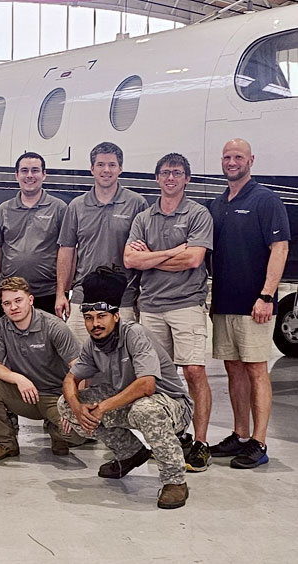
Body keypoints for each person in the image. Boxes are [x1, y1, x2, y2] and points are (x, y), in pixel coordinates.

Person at [57, 266, 192, 510]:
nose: (95, 324)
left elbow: (147, 385)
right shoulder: (92, 345)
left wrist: (102, 408)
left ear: (116, 316)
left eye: (101, 316)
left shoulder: (134, 334)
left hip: (170, 404)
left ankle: (175, 480)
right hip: (130, 402)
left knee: (144, 409)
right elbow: (70, 379)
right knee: (65, 403)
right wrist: (77, 407)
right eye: (89, 318)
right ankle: (130, 453)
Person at [124, 152, 214, 472]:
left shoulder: (198, 214)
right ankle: (174, 436)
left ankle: (200, 443)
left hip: (187, 304)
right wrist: (174, 251)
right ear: (157, 178)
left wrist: (152, 257)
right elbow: (131, 260)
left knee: (194, 372)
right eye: (165, 173)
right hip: (151, 307)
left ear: (186, 178)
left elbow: (194, 259)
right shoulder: (143, 218)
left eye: (176, 173)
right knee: (159, 378)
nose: (170, 178)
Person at [208, 138, 290, 469]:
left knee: (256, 370)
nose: (232, 162)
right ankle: (240, 435)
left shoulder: (266, 199)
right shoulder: (217, 204)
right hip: (224, 302)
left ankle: (259, 441)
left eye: (238, 157)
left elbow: (280, 248)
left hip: (256, 304)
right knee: (233, 369)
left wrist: (267, 295)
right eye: (227, 157)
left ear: (251, 160)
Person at [0, 277, 87, 461]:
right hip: (25, 394)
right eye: (7, 303)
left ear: (30, 300)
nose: (13, 307)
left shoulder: (53, 326)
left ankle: (56, 431)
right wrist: (18, 379)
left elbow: (80, 370)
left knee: (78, 434)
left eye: (18, 300)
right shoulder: (1, 327)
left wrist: (73, 406)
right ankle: (6, 443)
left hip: (56, 397)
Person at [56, 142, 147, 343]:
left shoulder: (136, 204)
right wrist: (61, 293)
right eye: (100, 164)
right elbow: (66, 251)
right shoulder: (76, 206)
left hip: (123, 299)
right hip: (83, 298)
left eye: (112, 165)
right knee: (78, 358)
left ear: (120, 168)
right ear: (92, 169)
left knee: (121, 358)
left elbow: (143, 255)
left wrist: (142, 294)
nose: (106, 170)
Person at [0, 152, 67, 315]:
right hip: (10, 294)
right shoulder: (4, 210)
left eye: (35, 170)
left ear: (44, 174)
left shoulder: (59, 209)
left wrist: (61, 293)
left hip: (47, 294)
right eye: (24, 170)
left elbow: (66, 253)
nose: (29, 175)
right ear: (16, 175)